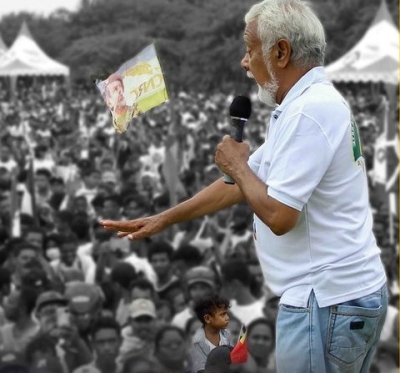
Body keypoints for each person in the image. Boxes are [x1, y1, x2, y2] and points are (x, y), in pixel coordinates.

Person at [101, 0, 388, 372]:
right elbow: (238, 183)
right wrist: (162, 219)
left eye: (250, 49)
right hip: (336, 298)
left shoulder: (309, 111)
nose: (244, 62)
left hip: (325, 300)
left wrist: (236, 163)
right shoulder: (304, 105)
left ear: (280, 52)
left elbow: (280, 215)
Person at [190, 294, 232, 373]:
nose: (227, 318)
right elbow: (200, 370)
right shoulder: (197, 343)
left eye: (226, 313)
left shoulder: (227, 335)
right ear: (208, 319)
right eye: (222, 314)